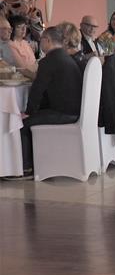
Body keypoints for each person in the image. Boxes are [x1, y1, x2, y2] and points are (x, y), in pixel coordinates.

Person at [18, 26, 83, 174]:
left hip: (64, 113)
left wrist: (29, 112)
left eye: (41, 40)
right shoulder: (67, 58)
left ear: (47, 40)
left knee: (21, 123)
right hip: (76, 111)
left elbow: (37, 90)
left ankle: (26, 168)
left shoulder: (48, 61)